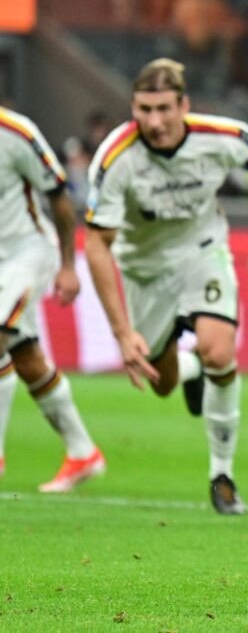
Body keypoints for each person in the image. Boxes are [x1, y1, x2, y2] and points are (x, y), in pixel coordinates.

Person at [84, 58, 248, 515]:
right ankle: (191, 371)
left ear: (184, 105)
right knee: (161, 383)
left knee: (220, 351)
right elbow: (96, 245)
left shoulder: (217, 138)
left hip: (203, 252)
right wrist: (122, 333)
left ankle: (222, 475)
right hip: (144, 271)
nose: (154, 122)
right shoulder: (115, 159)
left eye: (163, 108)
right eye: (143, 109)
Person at [0, 106, 106, 492]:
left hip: (27, 251)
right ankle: (82, 452)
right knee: (26, 358)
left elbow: (59, 198)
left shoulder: (17, 132)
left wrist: (67, 265)